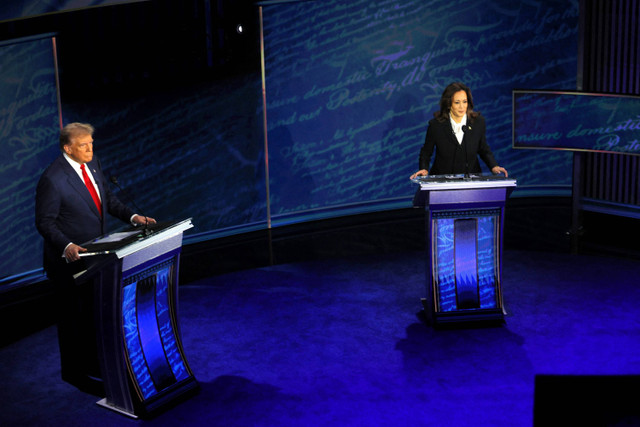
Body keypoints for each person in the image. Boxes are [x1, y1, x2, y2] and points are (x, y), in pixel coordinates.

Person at [35, 122, 155, 395]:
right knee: (72, 319)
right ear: (68, 148)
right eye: (83, 145)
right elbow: (45, 222)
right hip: (69, 263)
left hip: (96, 257)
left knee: (92, 315)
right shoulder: (52, 179)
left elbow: (108, 200)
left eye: (91, 143)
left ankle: (94, 364)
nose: (90, 149)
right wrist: (66, 245)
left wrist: (133, 217)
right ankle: (75, 374)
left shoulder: (94, 163)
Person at [410, 82, 508, 179]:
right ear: (449, 104)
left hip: (471, 179)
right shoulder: (436, 125)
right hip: (442, 181)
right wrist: (424, 169)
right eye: (457, 102)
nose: (462, 107)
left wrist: (494, 166)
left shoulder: (478, 122)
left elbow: (483, 149)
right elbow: (426, 152)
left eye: (464, 101)